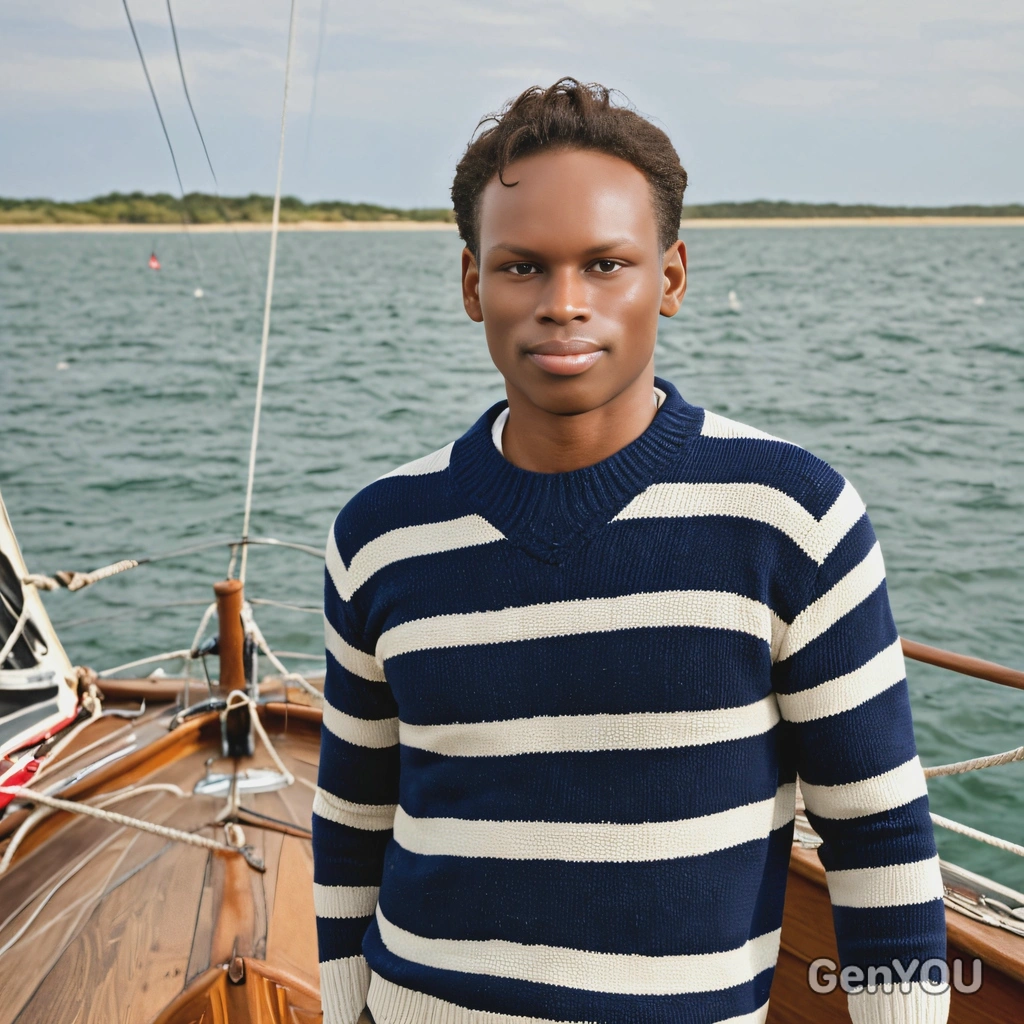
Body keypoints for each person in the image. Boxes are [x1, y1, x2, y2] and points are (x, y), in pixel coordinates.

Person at [312, 79, 948, 1024]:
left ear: (673, 277)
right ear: (471, 283)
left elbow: (878, 835)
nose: (564, 304)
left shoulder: (790, 515)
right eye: (522, 267)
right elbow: (353, 822)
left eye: (606, 265)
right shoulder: (379, 534)